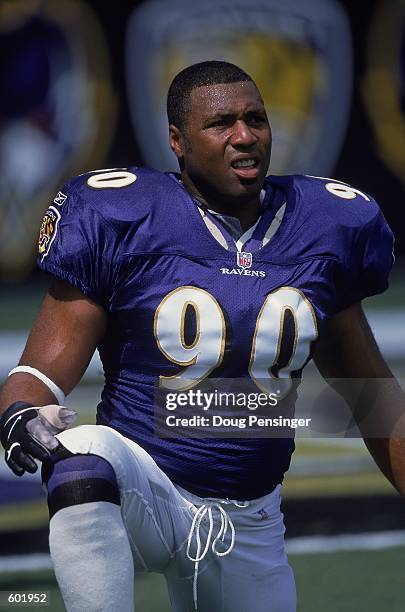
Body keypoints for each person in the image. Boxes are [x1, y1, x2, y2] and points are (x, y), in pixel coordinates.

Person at [0, 61, 404, 612]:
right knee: (80, 457)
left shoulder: (328, 225)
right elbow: (40, 374)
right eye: (221, 123)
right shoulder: (124, 216)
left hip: (248, 518)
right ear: (178, 142)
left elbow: (374, 398)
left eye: (256, 118)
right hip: (146, 488)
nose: (245, 136)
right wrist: (20, 414)